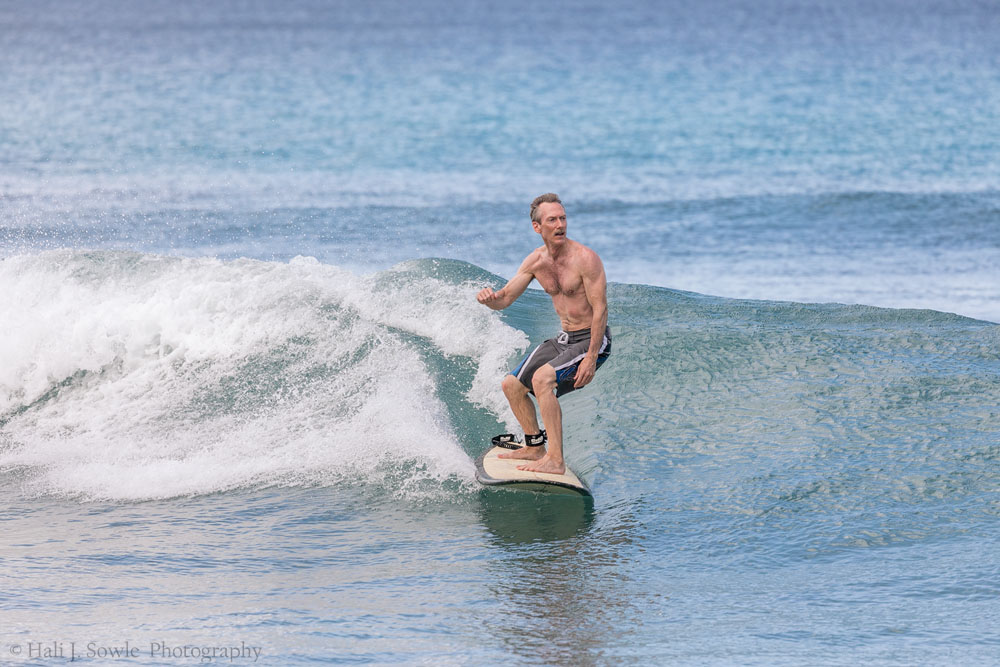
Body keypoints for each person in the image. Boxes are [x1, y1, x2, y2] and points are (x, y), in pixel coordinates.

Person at [477, 193, 611, 475]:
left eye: (563, 218)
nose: (560, 224)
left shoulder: (585, 259)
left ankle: (555, 459)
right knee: (511, 386)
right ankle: (535, 445)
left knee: (541, 378)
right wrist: (491, 299)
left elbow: (600, 310)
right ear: (538, 227)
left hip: (592, 340)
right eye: (552, 220)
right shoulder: (536, 261)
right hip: (565, 338)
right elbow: (505, 299)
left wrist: (589, 359)